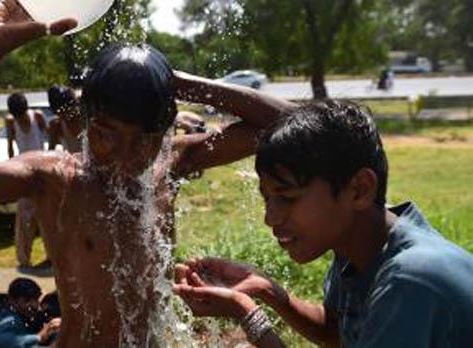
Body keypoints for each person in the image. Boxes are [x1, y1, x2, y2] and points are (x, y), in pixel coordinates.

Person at [0, 1, 293, 345]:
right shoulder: (56, 179)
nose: (123, 157)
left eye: (142, 142)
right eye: (105, 137)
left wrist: (182, 84)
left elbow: (294, 124)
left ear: (164, 135)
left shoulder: (173, 162)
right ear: (85, 126)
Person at [173, 101, 473, 347]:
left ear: (359, 189)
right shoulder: (360, 245)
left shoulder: (411, 281)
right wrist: (265, 289)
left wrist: (247, 314)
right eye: (267, 199)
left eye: (288, 197)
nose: (270, 218)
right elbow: (335, 332)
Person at [5, 92, 48, 268]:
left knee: (47, 217)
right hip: (23, 172)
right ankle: (23, 260)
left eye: (22, 115)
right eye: (18, 116)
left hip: (43, 172)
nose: (21, 119)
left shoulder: (37, 116)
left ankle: (51, 257)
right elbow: (10, 147)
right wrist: (10, 170)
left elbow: (48, 141)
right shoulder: (10, 121)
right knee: (24, 220)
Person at [0, 278, 60, 348]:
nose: (34, 305)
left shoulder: (23, 317)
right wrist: (38, 337)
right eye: (27, 300)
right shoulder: (9, 319)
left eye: (36, 299)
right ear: (13, 301)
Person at [46, 85, 83, 153]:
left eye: (69, 110)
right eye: (62, 113)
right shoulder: (57, 126)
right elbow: (50, 153)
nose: (66, 116)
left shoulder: (88, 120)